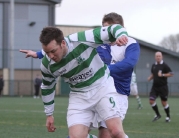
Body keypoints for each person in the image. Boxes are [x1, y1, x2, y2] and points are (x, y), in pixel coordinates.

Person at [20, 24, 129, 138]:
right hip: (79, 96)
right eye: (47, 53)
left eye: (53, 51)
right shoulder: (47, 65)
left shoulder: (81, 39)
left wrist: (121, 35)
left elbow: (114, 28)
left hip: (102, 87)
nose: (51, 56)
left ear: (63, 43)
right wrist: (49, 114)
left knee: (116, 132)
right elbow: (47, 87)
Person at [147, 51, 173, 122]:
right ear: (155, 57)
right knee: (151, 101)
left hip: (163, 87)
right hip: (155, 87)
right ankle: (158, 114)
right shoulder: (153, 65)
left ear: (162, 57)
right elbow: (153, 74)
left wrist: (163, 75)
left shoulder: (165, 65)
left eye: (159, 56)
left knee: (163, 102)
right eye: (157, 56)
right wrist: (150, 77)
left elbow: (171, 74)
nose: (158, 57)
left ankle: (168, 117)